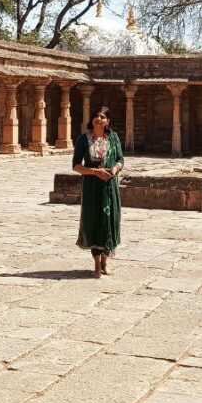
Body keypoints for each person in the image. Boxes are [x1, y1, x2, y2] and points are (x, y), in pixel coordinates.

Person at [71, 106, 123, 277]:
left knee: (109, 220)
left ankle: (105, 263)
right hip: (92, 187)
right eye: (95, 116)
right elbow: (76, 165)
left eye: (102, 117)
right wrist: (95, 172)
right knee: (93, 221)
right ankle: (96, 264)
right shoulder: (83, 139)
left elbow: (120, 159)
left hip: (109, 186)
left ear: (108, 121)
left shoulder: (113, 138)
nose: (98, 119)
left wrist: (114, 169)